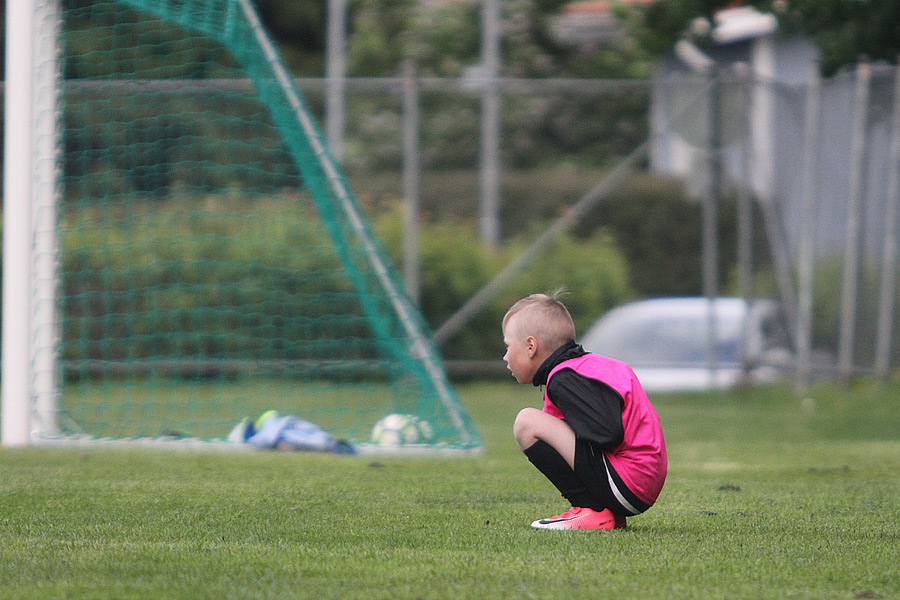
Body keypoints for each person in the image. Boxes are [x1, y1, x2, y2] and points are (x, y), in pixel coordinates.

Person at [502, 292, 667, 531]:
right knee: (542, 422)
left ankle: (593, 510)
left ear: (530, 346)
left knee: (527, 422)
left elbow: (607, 431)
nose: (505, 357)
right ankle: (608, 514)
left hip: (628, 482)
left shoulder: (564, 378)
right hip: (640, 482)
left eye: (508, 347)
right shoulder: (587, 368)